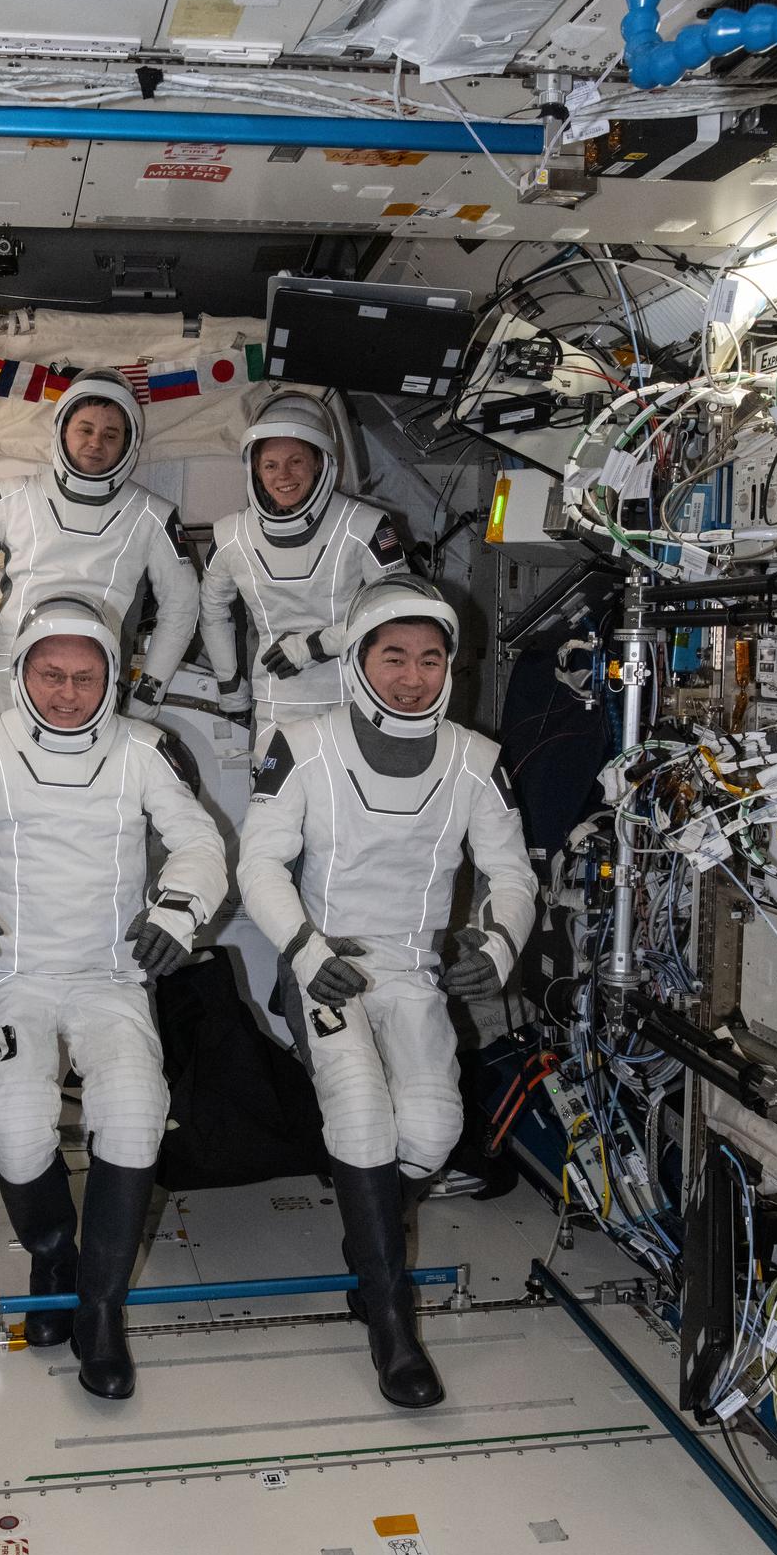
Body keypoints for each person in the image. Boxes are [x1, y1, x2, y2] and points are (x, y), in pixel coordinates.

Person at [0, 594, 226, 1400]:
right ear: (24, 672)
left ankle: (99, 1313)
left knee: (136, 1110)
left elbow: (199, 841)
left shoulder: (147, 750)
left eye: (85, 676)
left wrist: (180, 912)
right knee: (11, 1119)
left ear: (111, 677)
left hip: (111, 972)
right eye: (50, 674)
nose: (68, 692)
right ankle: (53, 1251)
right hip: (15, 970)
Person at [237, 577, 536, 1408]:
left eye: (431, 660)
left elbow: (511, 874)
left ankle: (367, 1252)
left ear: (451, 669)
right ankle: (391, 1324)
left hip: (412, 971)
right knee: (362, 1115)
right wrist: (301, 949)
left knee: (434, 1130)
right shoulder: (301, 744)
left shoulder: (475, 761)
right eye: (394, 656)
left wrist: (498, 939)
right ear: (362, 659)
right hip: (325, 962)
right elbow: (258, 864)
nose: (412, 677)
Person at [0, 369, 198, 719]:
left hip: (92, 681)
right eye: (85, 429)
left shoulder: (153, 515)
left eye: (110, 434)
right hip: (8, 667)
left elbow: (182, 607)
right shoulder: (16, 495)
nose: (96, 443)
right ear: (62, 431)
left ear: (129, 444)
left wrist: (148, 692)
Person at [200, 391, 407, 730]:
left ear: (319, 462)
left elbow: (398, 611)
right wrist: (228, 684)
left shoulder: (364, 525)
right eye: (270, 465)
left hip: (353, 697)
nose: (283, 475)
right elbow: (212, 612)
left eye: (295, 461)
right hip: (275, 704)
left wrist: (314, 646)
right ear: (255, 469)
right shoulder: (230, 535)